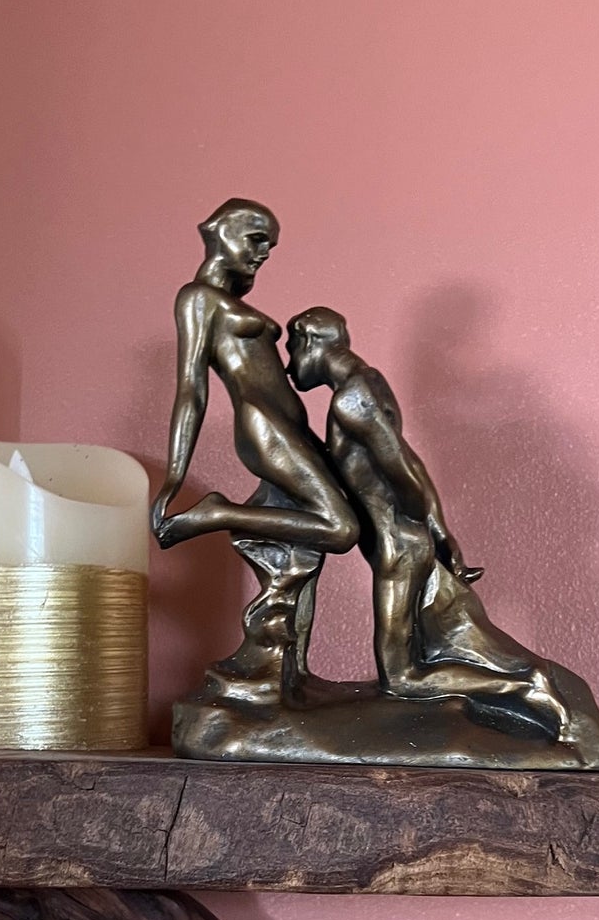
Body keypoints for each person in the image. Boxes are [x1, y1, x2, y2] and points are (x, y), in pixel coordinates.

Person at [286, 306, 576, 740]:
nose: (289, 366)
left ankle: (523, 688)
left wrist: (410, 526)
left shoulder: (352, 397)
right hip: (407, 542)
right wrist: (438, 530)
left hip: (398, 548)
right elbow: (411, 461)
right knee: (434, 652)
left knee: (401, 677)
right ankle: (520, 685)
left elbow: (402, 469)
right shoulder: (369, 382)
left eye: (291, 349)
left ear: (309, 340)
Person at [151, 202, 360, 558]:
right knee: (342, 529)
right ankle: (218, 513)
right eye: (256, 239)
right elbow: (192, 390)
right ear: (223, 231)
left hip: (293, 429)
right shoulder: (198, 297)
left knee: (359, 510)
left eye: (269, 246)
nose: (263, 253)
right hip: (263, 426)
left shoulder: (230, 303)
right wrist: (174, 477)